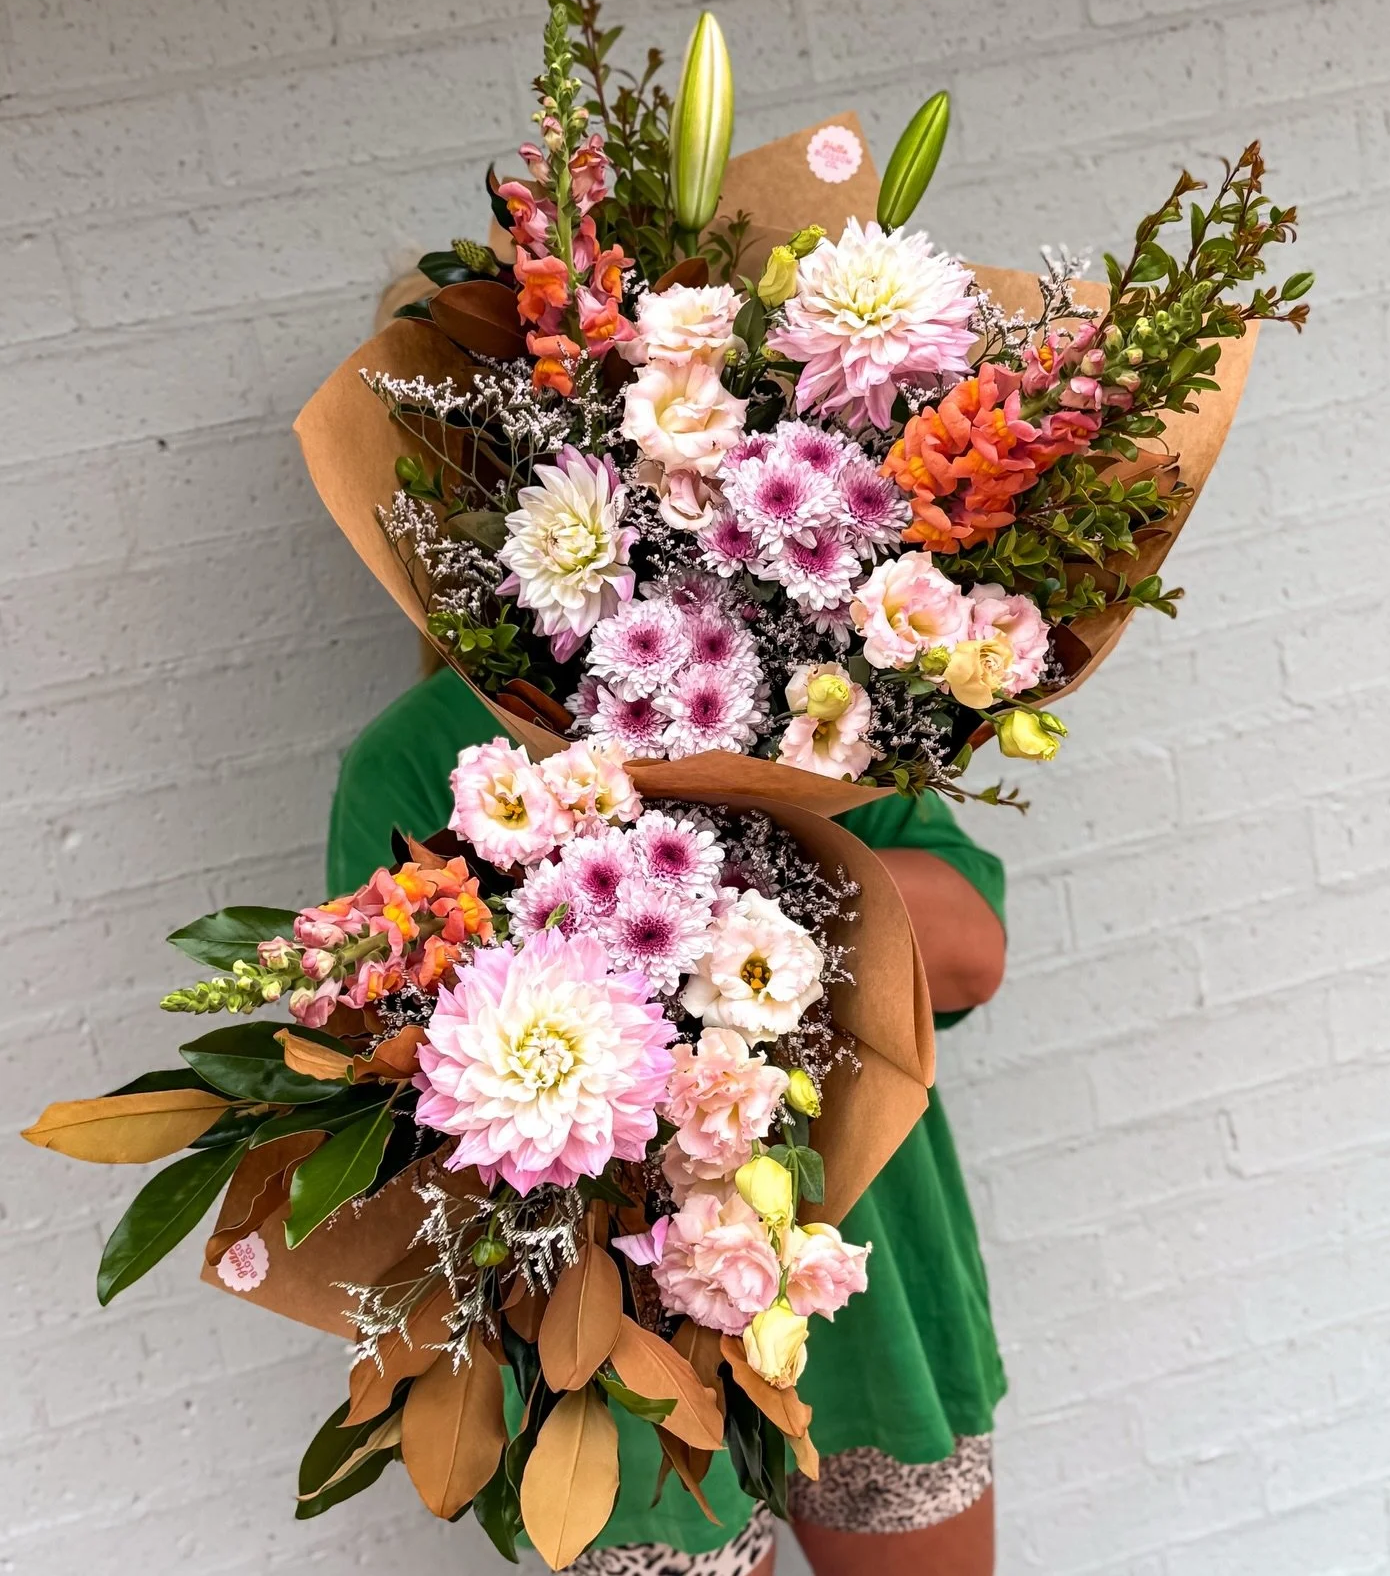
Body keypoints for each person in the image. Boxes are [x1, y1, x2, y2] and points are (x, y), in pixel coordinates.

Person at [327, 667, 1008, 1576]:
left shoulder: (792, 688)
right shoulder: (418, 755)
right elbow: (397, 1106)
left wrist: (709, 869)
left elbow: (968, 956)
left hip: (859, 1276)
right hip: (622, 1331)